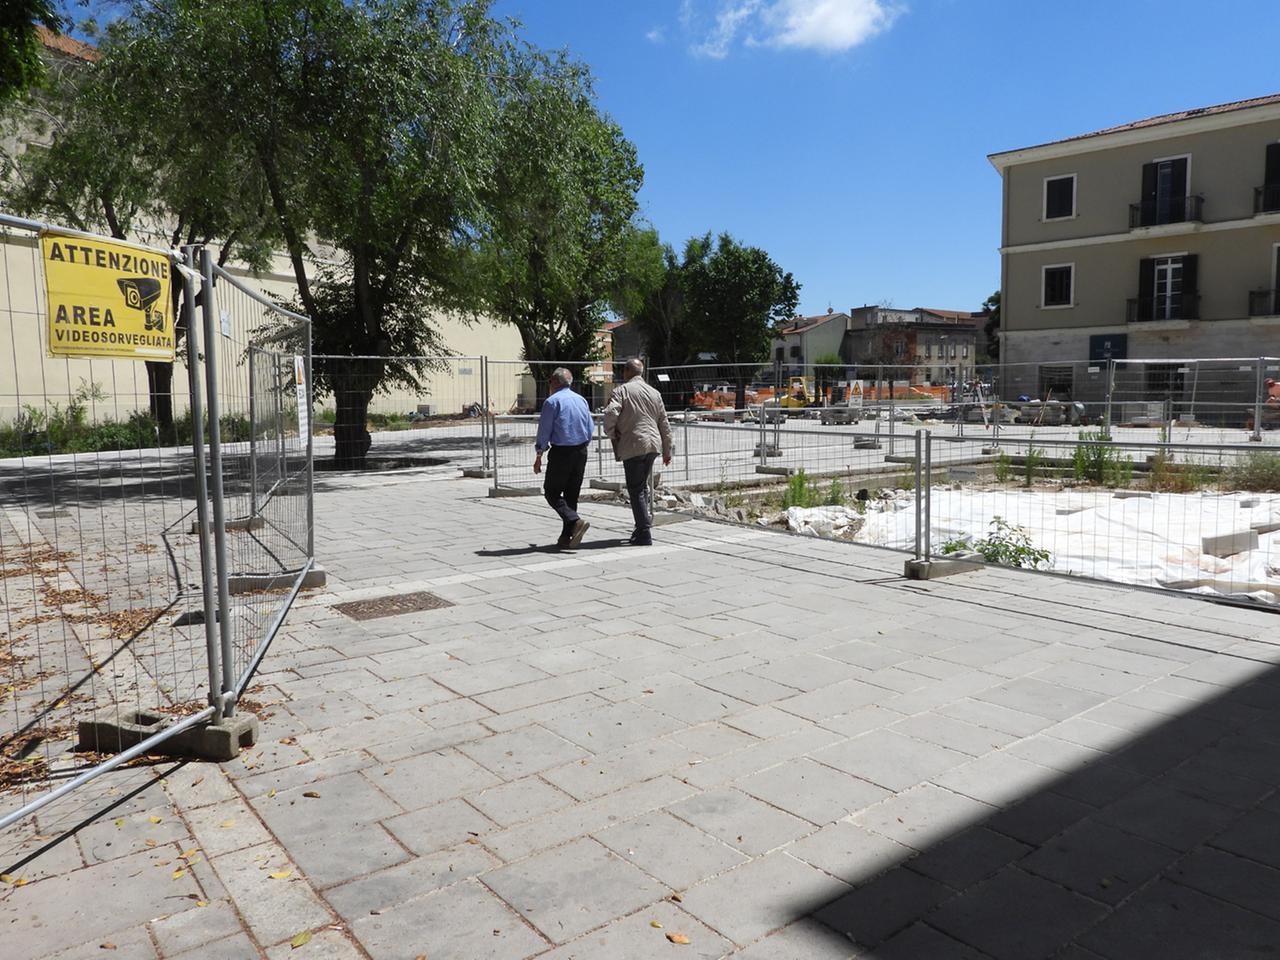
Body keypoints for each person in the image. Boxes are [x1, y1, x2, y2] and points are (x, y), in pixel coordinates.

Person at [603, 359, 672, 546]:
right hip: (653, 445)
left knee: (636, 490)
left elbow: (610, 413)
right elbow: (664, 423)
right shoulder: (655, 393)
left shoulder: (621, 391)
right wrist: (667, 450)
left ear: (626, 371)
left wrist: (611, 431)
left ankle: (643, 531)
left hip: (633, 444)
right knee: (641, 487)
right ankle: (641, 526)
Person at [533, 367, 594, 549]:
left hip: (562, 453)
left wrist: (539, 454)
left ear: (555, 381)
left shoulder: (552, 402)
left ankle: (574, 521)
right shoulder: (581, 399)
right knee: (571, 495)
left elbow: (544, 431)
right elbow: (590, 427)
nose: (549, 384)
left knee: (551, 492)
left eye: (550, 380)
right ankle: (566, 536)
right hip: (581, 451)